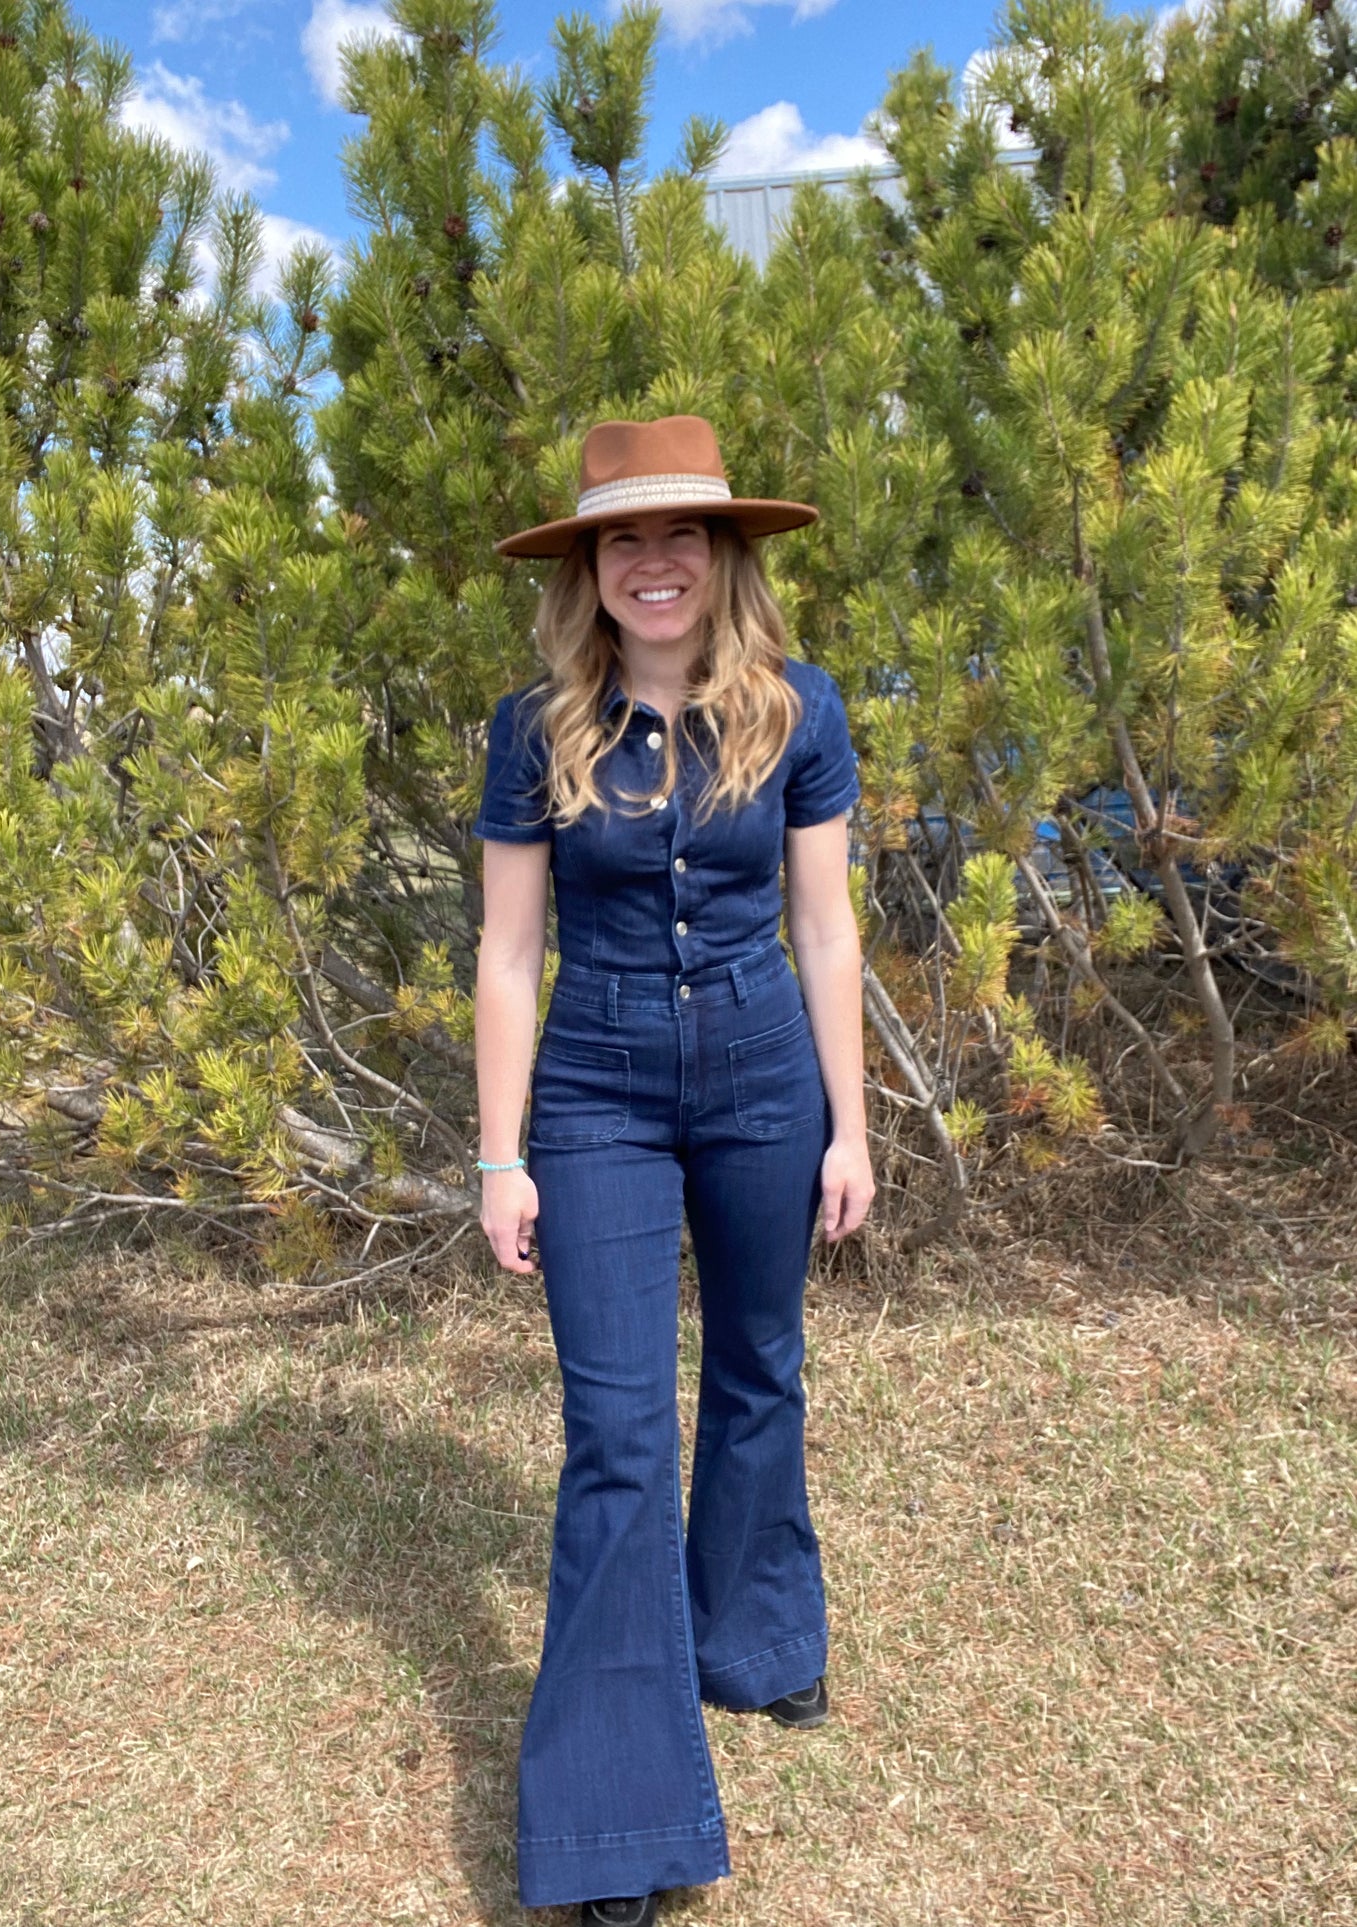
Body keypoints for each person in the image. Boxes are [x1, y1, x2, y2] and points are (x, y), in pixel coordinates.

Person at [472, 415, 874, 1927]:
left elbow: (824, 929)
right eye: (620, 539)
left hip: (769, 1076)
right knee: (620, 1434)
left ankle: (758, 1641)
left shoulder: (798, 710)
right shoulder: (536, 728)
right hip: (597, 1093)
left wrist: (851, 1121)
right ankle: (615, 1822)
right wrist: (499, 1154)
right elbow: (510, 956)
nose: (653, 562)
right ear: (587, 568)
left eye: (679, 535)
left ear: (723, 557)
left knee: (763, 1363)